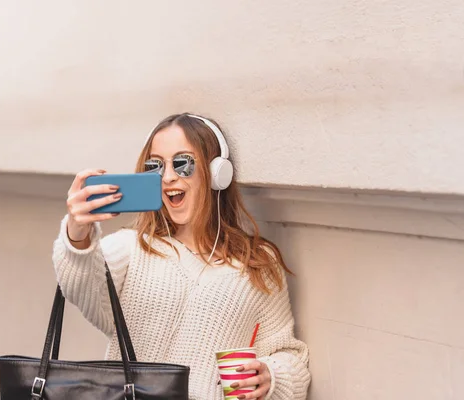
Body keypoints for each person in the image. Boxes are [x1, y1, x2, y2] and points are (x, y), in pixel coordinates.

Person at [52, 113, 311, 399]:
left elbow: (288, 355)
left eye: (183, 163)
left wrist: (270, 375)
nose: (168, 177)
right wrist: (77, 234)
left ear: (216, 173)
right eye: (156, 166)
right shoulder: (131, 248)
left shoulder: (257, 263)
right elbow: (80, 284)